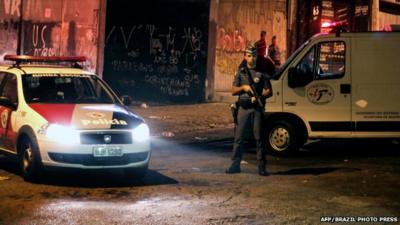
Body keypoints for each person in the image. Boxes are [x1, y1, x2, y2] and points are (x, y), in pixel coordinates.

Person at [226, 44, 272, 176]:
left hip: (256, 108)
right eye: (249, 55)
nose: (251, 58)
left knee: (259, 138)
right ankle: (235, 165)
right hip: (243, 108)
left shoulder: (261, 73)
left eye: (254, 55)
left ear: (257, 56)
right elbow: (233, 90)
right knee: (239, 138)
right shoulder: (241, 72)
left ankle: (262, 167)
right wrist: (244, 88)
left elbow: (269, 91)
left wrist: (260, 97)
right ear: (245, 56)